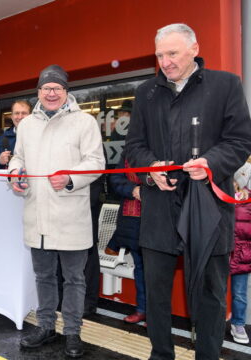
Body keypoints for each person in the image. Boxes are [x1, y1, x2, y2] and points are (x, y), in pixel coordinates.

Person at [125, 23, 251, 359]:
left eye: (172, 53)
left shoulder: (226, 85)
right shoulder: (146, 92)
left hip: (208, 208)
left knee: (209, 295)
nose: (164, 61)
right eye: (160, 55)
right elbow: (134, 147)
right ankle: (161, 355)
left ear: (194, 48)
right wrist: (151, 170)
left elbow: (240, 141)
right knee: (157, 293)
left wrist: (211, 162)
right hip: (159, 208)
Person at [9, 64, 105, 358]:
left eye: (57, 88)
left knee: (74, 279)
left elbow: (96, 162)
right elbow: (18, 157)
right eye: (46, 88)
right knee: (44, 276)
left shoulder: (84, 122)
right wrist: (15, 174)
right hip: (37, 215)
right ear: (38, 92)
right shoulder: (26, 125)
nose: (51, 93)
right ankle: (46, 326)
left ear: (66, 92)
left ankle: (73, 331)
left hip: (70, 215)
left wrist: (71, 178)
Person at [106, 153, 146, 324]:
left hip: (160, 219)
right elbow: (116, 178)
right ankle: (142, 310)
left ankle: (156, 314)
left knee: (157, 272)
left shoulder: (165, 147)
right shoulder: (128, 153)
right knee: (140, 268)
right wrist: (133, 190)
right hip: (133, 221)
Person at [230, 161, 251, 344]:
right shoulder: (217, 194)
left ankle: (238, 323)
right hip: (220, 251)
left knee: (240, 293)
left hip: (242, 254)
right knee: (213, 290)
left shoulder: (248, 197)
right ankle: (211, 322)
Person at [0, 100, 31, 169]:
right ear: (12, 116)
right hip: (9, 179)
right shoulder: (3, 138)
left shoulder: (39, 136)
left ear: (31, 115)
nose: (20, 117)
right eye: (16, 113)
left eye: (24, 113)